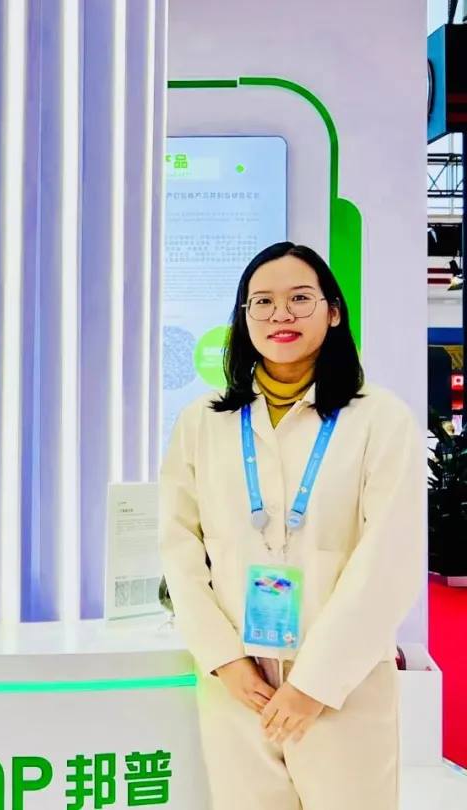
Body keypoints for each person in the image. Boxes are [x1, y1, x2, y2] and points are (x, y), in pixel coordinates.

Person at [159, 242, 424, 810]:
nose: (280, 314)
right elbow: (179, 547)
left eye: (300, 298)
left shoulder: (379, 418)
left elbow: (390, 557)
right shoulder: (203, 421)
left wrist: (314, 683)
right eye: (263, 302)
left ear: (334, 312)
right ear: (243, 317)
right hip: (239, 686)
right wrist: (224, 660)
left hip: (342, 684)